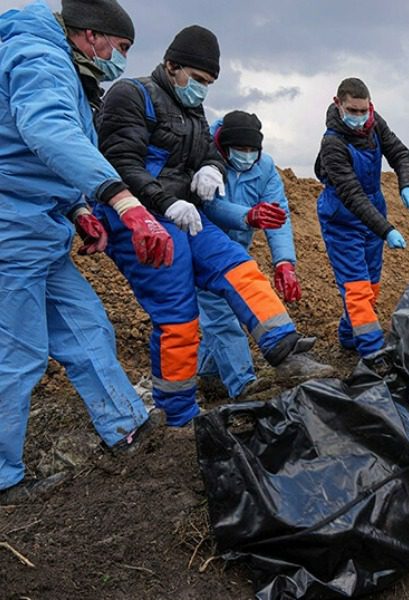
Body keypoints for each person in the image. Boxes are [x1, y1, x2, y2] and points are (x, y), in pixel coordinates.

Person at [96, 25, 334, 427]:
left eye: (209, 83)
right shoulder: (130, 95)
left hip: (186, 215)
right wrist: (165, 202)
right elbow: (121, 162)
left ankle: (287, 352)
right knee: (179, 317)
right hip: (140, 217)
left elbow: (209, 151)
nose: (203, 89)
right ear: (171, 66)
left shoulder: (192, 111)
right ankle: (179, 416)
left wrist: (210, 166)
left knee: (240, 268)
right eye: (200, 79)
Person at [0, 0, 175, 503]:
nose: (119, 59)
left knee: (86, 325)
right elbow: (48, 131)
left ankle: (126, 427)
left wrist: (78, 210)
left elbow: (38, 150)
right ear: (91, 36)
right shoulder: (40, 57)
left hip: (39, 229)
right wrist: (119, 198)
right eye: (120, 48)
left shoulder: (60, 64)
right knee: (16, 355)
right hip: (11, 229)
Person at [314, 77, 409, 366]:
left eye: (364, 110)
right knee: (356, 288)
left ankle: (349, 335)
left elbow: (400, 153)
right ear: (339, 105)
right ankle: (373, 353)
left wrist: (406, 183)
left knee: (371, 284)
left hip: (373, 210)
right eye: (353, 110)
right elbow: (351, 194)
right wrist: (386, 230)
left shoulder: (375, 123)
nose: (359, 117)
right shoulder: (332, 143)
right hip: (342, 219)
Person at [198, 110, 298, 398]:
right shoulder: (206, 159)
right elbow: (208, 204)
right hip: (204, 247)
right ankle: (243, 385)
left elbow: (279, 215)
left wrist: (284, 261)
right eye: (239, 149)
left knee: (221, 311)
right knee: (220, 316)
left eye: (251, 150)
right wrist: (247, 216)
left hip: (236, 251)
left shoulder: (264, 168)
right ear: (223, 145)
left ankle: (209, 376)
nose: (245, 155)